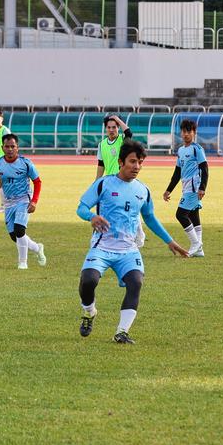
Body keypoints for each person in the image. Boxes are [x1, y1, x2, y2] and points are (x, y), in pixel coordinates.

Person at [75, 140, 189, 344]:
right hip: (102, 246)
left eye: (140, 162)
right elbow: (81, 207)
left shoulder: (143, 190)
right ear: (121, 162)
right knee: (88, 281)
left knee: (135, 282)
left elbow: (150, 218)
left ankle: (122, 332)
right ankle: (89, 311)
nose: (137, 166)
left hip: (128, 250)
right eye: (133, 161)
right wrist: (91, 217)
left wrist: (169, 241)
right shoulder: (104, 183)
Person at [0, 134, 46, 269]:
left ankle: (23, 262)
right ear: (2, 148)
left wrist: (34, 201)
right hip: (8, 202)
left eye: (13, 146)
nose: (10, 149)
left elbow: (37, 182)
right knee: (14, 236)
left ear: (17, 148)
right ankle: (37, 248)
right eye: (7, 146)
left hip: (24, 199)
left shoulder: (25, 163)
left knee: (19, 229)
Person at [162, 118, 209, 257]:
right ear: (181, 133)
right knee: (194, 215)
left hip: (194, 188)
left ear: (194, 133)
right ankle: (199, 250)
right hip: (186, 186)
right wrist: (168, 190)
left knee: (181, 215)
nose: (186, 134)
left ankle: (195, 243)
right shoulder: (181, 150)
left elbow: (205, 169)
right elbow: (177, 172)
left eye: (189, 131)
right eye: (184, 131)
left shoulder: (197, 149)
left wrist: (202, 187)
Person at [96, 113, 142, 247]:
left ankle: (138, 233)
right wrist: (97, 182)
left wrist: (117, 119)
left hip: (123, 179)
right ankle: (114, 236)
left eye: (114, 127)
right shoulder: (102, 144)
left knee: (127, 207)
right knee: (112, 209)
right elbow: (100, 164)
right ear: (105, 129)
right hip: (109, 182)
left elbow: (129, 132)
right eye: (109, 127)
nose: (112, 130)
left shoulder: (123, 140)